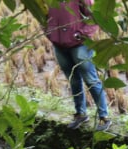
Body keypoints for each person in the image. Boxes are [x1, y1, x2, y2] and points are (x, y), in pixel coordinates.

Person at [45, 0, 111, 131]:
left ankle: (104, 117)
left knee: (91, 80)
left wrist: (81, 34)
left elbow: (95, 15)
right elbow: (44, 15)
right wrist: (49, 33)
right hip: (59, 45)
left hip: (80, 45)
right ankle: (80, 114)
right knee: (73, 80)